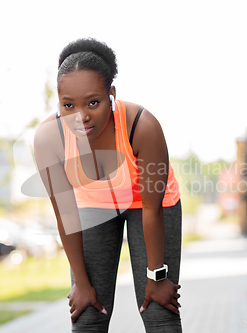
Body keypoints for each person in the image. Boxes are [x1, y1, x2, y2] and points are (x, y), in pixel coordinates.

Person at [33, 38, 182, 333]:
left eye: (92, 102)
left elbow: (151, 210)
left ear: (111, 94)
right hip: (92, 207)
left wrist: (157, 276)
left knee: (158, 310)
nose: (81, 116)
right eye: (68, 105)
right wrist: (81, 283)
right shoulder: (50, 138)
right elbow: (66, 216)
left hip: (149, 207)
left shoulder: (141, 125)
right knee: (87, 312)